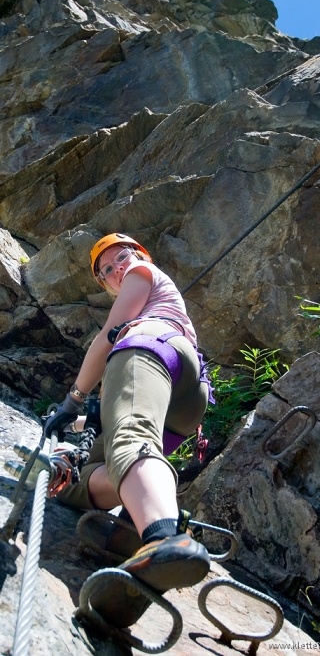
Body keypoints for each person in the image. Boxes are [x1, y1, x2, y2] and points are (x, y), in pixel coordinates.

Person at [44, 232, 211, 629]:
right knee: (83, 479)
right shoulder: (159, 299)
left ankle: (164, 539)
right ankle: (147, 523)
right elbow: (123, 404)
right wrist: (78, 424)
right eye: (106, 271)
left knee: (130, 443)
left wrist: (72, 401)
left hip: (152, 348)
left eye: (121, 258)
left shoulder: (143, 273)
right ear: (105, 284)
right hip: (185, 399)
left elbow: (106, 340)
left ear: (137, 256)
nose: (117, 268)